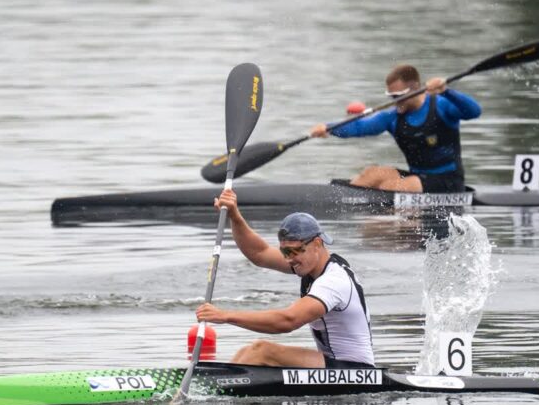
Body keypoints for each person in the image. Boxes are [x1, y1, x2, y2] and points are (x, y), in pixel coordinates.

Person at [194, 190, 375, 369]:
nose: (289, 259)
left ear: (317, 244)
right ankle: (215, 383)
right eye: (284, 252)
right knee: (247, 351)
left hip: (356, 370)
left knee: (260, 351)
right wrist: (234, 216)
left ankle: (212, 388)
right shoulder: (309, 264)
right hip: (333, 365)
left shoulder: (333, 281)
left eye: (294, 251)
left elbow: (288, 320)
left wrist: (225, 316)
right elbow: (259, 253)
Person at [309, 64, 482, 193]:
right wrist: (329, 128)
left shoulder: (441, 106)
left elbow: (474, 111)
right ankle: (341, 201)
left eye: (398, 96)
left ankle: (380, 212)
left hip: (448, 182)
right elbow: (361, 126)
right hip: (418, 178)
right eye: (390, 96)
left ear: (415, 89)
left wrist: (446, 91)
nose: (394, 100)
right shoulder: (393, 117)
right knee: (371, 174)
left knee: (391, 187)